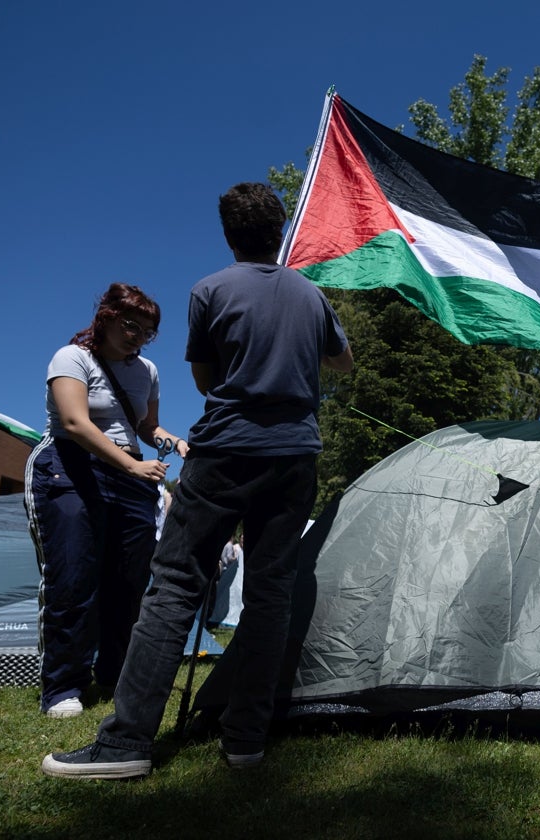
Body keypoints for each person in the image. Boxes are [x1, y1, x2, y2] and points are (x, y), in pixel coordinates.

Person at [42, 182, 352, 779]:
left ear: (230, 235)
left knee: (176, 584)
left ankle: (127, 743)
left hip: (226, 452)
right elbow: (343, 361)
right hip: (294, 456)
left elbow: (208, 380)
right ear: (280, 229)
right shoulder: (313, 296)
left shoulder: (209, 290)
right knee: (270, 594)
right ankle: (245, 740)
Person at [24, 283, 186, 718]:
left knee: (129, 582)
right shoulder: (71, 358)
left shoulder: (147, 371)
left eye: (147, 332)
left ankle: (114, 675)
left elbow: (147, 427)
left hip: (130, 480)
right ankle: (62, 686)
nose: (138, 337)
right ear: (107, 316)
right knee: (74, 576)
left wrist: (171, 439)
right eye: (131, 325)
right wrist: (133, 466)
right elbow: (75, 422)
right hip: (71, 467)